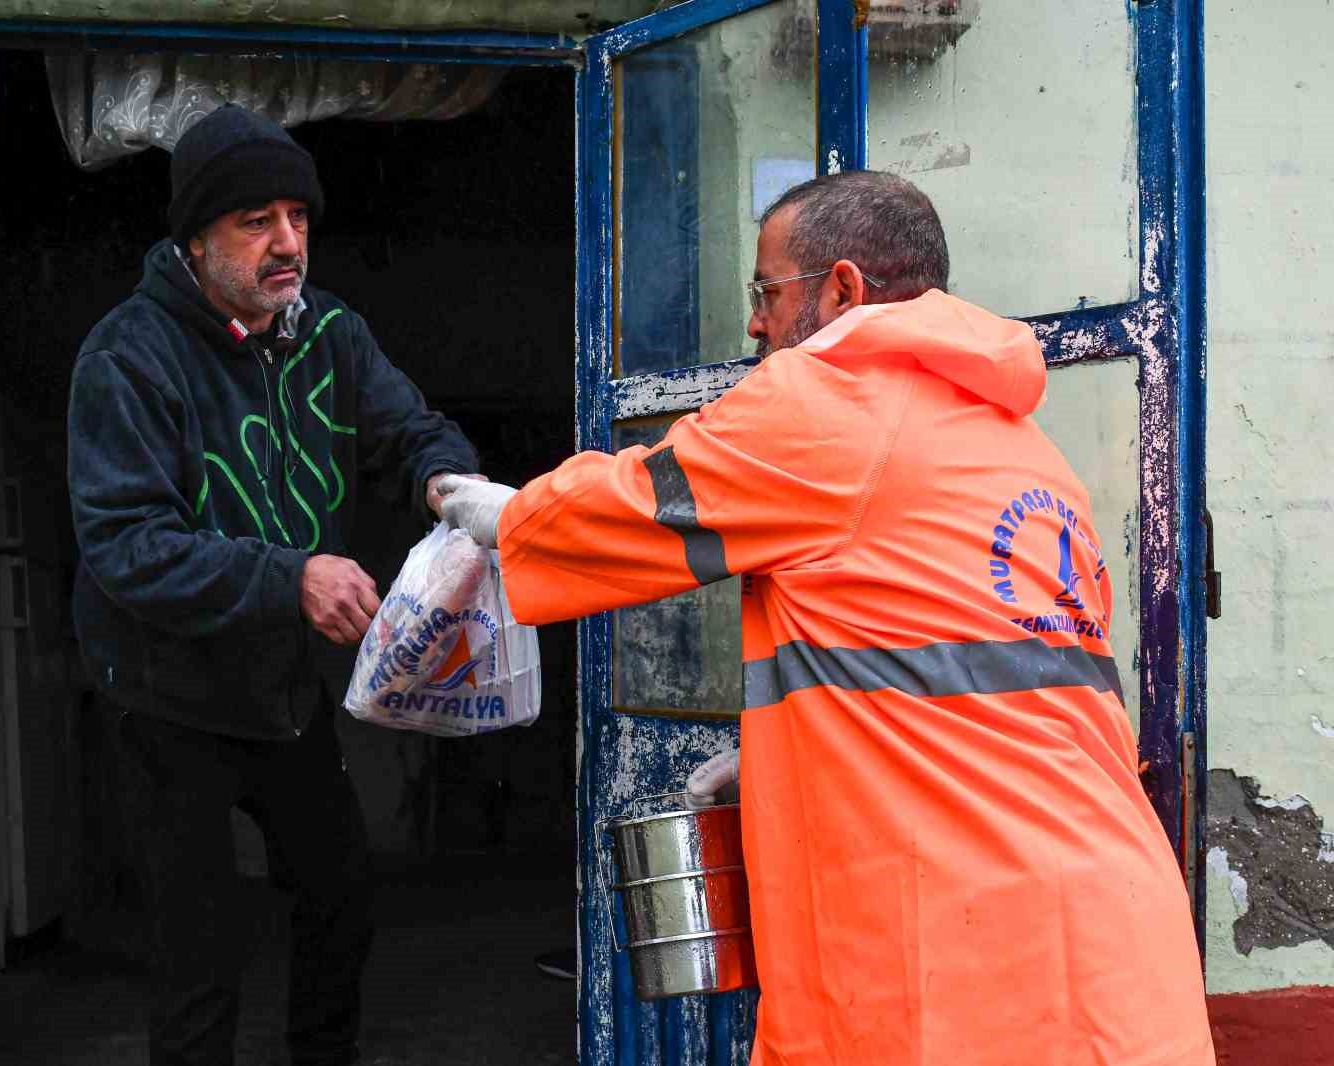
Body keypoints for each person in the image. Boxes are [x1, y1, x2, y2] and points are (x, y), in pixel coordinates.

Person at [438, 171, 1215, 1065]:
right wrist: (785, 742)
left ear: (841, 289)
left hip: (967, 980)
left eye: (766, 294)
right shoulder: (1023, 452)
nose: (757, 325)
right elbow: (966, 678)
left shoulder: (829, 401)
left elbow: (625, 511)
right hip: (1112, 957)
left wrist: (499, 513)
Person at [67, 105, 479, 1066]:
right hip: (171, 702)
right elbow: (126, 547)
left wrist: (451, 487)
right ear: (196, 238)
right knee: (200, 951)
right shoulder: (127, 357)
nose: (287, 242)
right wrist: (291, 579)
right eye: (257, 222)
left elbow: (410, 426)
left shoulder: (329, 332)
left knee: (340, 899)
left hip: (286, 698)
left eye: (297, 216)